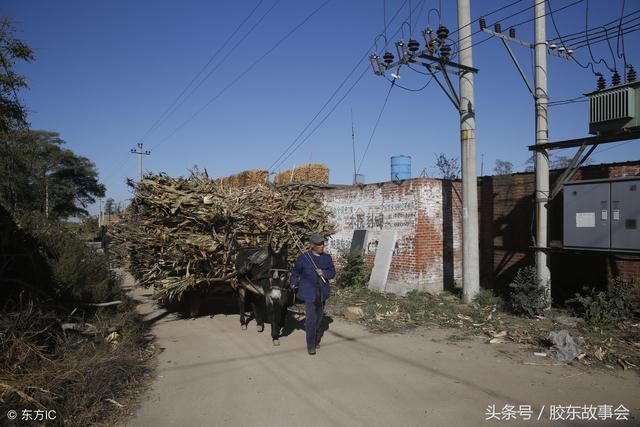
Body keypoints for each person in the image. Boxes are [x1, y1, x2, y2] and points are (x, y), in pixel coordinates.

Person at [291, 233, 335, 355]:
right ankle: (311, 345)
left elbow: (333, 272)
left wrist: (324, 273)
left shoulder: (327, 258)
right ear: (312, 245)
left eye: (323, 244)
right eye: (319, 244)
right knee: (311, 319)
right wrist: (294, 282)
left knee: (318, 319)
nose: (322, 246)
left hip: (322, 293)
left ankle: (316, 339)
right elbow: (295, 271)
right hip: (309, 293)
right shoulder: (303, 258)